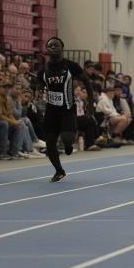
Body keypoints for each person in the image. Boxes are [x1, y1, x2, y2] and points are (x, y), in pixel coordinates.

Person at [38, 37, 86, 181]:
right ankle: (59, 170)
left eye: (56, 45)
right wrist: (38, 90)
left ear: (62, 48)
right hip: (51, 110)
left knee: (66, 138)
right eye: (50, 45)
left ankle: (68, 144)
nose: (53, 47)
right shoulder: (43, 70)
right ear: (47, 50)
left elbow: (87, 82)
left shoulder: (71, 66)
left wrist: (89, 104)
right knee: (50, 143)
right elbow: (39, 85)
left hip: (67, 109)